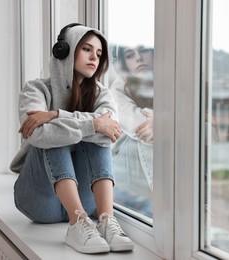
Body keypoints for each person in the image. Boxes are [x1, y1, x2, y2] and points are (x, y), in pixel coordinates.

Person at [10, 23, 134, 254]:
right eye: (86, 49)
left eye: (98, 54)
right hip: (38, 200)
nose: (94, 58)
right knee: (54, 137)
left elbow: (111, 132)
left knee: (99, 136)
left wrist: (55, 114)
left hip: (88, 202)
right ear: (65, 51)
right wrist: (93, 123)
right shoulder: (35, 89)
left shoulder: (102, 95)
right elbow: (38, 134)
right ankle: (77, 222)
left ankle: (106, 220)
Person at [109, 45, 154, 217]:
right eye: (130, 55)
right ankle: (168, 200)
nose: (138, 58)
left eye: (143, 51)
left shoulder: (168, 82)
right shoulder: (117, 91)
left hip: (145, 176)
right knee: (144, 136)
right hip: (123, 176)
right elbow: (140, 128)